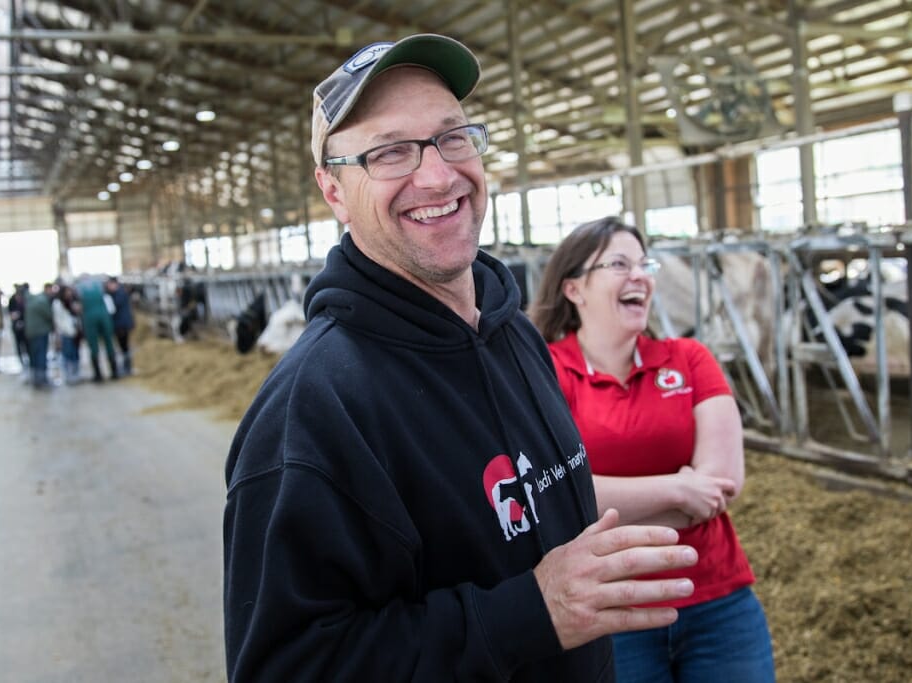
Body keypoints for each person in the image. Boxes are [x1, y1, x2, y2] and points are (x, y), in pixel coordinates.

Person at [223, 35, 700, 682]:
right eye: (391, 152)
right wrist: (532, 610)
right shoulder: (311, 412)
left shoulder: (516, 335)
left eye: (454, 137)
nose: (440, 175)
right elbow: (289, 667)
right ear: (334, 191)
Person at [529, 216, 776, 682]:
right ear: (574, 289)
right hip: (608, 609)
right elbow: (551, 495)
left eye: (645, 264)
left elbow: (722, 483)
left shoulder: (689, 358)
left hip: (717, 601)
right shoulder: (544, 372)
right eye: (619, 264)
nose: (639, 275)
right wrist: (679, 489)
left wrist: (600, 504)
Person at [76, 276, 119, 382]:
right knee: (109, 342)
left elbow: (78, 306)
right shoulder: (98, 285)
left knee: (93, 345)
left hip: (89, 317)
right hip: (103, 316)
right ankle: (114, 372)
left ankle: (98, 374)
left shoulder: (80, 288)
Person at [23, 282, 55, 389]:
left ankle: (36, 379)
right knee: (41, 355)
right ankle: (42, 380)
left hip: (31, 332)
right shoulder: (42, 300)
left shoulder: (32, 300)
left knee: (35, 355)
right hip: (41, 331)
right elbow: (49, 315)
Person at [104, 275, 135, 376]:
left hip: (122, 323)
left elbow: (114, 307)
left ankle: (127, 367)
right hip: (120, 323)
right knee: (122, 345)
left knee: (124, 345)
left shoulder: (120, 294)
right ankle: (126, 366)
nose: (109, 286)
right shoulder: (119, 293)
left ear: (115, 284)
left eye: (110, 284)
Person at [52, 284, 82, 384]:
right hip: (65, 332)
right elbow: (58, 320)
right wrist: (60, 332)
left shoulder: (74, 302)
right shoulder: (57, 304)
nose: (69, 294)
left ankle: (76, 373)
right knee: (67, 354)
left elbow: (78, 316)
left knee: (75, 353)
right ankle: (68, 375)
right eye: (67, 292)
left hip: (76, 331)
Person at [8, 283, 30, 368]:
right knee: (18, 345)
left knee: (26, 345)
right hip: (16, 327)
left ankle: (28, 360)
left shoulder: (25, 299)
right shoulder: (12, 299)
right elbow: (10, 312)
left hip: (25, 326)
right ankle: (21, 362)